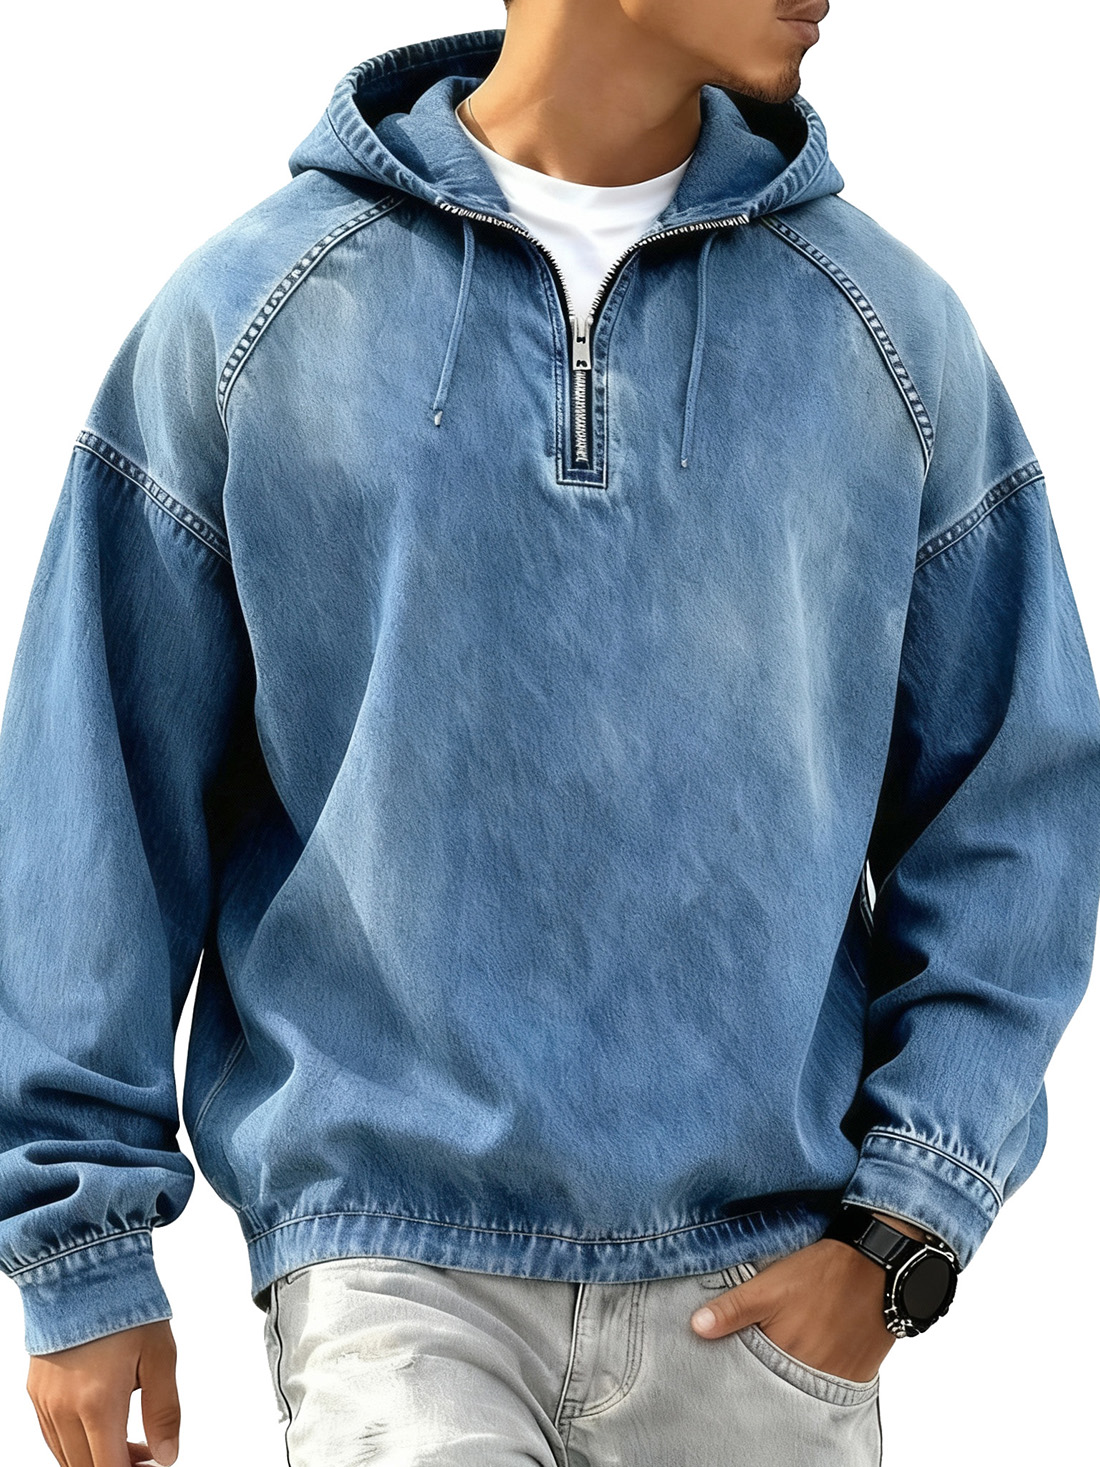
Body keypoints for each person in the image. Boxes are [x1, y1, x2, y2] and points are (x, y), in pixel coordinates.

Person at [3, 2, 1099, 1464]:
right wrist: (79, 1250)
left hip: (759, 1292)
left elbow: (1018, 804)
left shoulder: (887, 334)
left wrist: (905, 1228)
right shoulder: (257, 313)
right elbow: (97, 796)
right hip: (391, 1265)